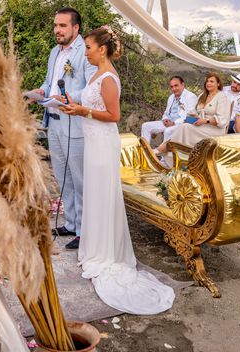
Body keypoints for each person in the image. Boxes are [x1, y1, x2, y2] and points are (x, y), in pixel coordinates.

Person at [60, 26, 175, 314]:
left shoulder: (109, 77)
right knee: (95, 194)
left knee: (101, 194)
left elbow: (114, 116)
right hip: (93, 142)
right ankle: (96, 248)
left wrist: (82, 111)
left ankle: (106, 253)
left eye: (88, 47)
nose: (85, 51)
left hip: (103, 143)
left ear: (102, 49)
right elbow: (92, 106)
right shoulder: (95, 74)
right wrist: (74, 105)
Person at [25, 8, 97, 250]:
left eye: (63, 25)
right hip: (53, 123)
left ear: (76, 28)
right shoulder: (54, 52)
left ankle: (85, 230)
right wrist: (40, 93)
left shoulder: (84, 53)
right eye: (56, 25)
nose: (57, 30)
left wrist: (64, 97)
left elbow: (91, 90)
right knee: (63, 176)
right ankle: (72, 223)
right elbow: (48, 82)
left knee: (79, 178)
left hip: (74, 124)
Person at [155, 72, 231, 155]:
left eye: (212, 81)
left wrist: (205, 121)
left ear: (218, 84)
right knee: (184, 126)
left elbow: (222, 120)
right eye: (207, 81)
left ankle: (164, 148)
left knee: (185, 128)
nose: (208, 83)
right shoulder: (202, 95)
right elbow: (194, 111)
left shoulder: (221, 97)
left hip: (214, 128)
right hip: (200, 125)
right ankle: (172, 151)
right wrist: (192, 117)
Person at [139, 76, 197, 144]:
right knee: (145, 126)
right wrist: (165, 119)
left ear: (182, 85)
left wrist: (174, 123)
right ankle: (145, 152)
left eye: (176, 86)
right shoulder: (171, 97)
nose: (174, 89)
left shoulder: (191, 97)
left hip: (180, 124)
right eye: (172, 87)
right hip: (168, 123)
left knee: (168, 131)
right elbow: (166, 112)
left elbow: (190, 117)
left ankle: (164, 153)